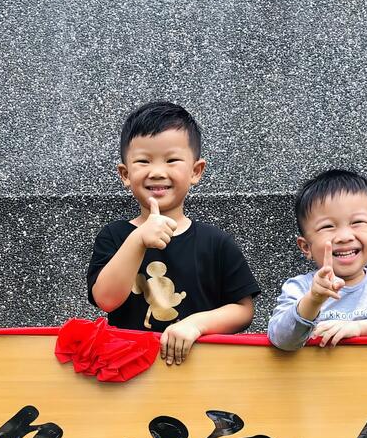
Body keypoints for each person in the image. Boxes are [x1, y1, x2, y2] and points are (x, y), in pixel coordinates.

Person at [86, 101, 260, 365]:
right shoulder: (115, 236)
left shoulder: (216, 242)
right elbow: (106, 300)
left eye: (171, 160)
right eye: (143, 161)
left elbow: (243, 310)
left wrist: (196, 324)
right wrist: (138, 239)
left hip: (200, 369)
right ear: (125, 174)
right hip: (129, 370)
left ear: (195, 171)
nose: (157, 172)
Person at [267, 169, 367, 350]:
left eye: (357, 222)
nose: (345, 237)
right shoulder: (300, 288)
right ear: (306, 247)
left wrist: (362, 328)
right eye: (327, 226)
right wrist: (313, 300)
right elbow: (281, 339)